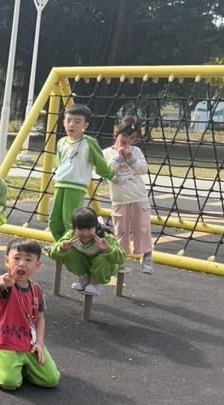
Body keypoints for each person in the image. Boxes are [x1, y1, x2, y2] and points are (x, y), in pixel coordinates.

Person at [0, 239, 60, 392]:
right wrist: (6, 283)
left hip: (31, 343)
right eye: (16, 258)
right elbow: (3, 286)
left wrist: (40, 343)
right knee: (9, 383)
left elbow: (40, 318)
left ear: (37, 265)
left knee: (51, 379)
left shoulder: (36, 289)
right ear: (7, 261)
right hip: (8, 342)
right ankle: (4, 367)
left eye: (28, 260)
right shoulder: (4, 282)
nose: (22, 264)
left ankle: (24, 366)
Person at [48, 103, 115, 240]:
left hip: (76, 186)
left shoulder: (89, 142)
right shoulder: (61, 142)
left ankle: (70, 245)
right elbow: (60, 163)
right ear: (64, 122)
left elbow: (100, 163)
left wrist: (111, 175)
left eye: (77, 122)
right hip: (60, 184)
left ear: (85, 125)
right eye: (68, 121)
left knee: (70, 219)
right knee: (54, 219)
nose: (72, 124)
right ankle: (58, 244)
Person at [103, 116, 154, 273]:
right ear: (117, 133)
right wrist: (118, 157)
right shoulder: (107, 153)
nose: (127, 141)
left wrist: (131, 159)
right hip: (119, 199)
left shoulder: (136, 151)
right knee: (121, 230)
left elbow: (143, 170)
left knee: (142, 228)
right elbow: (106, 172)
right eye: (125, 135)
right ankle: (121, 258)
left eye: (132, 138)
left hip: (138, 197)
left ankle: (147, 255)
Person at [49, 207, 126, 296]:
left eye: (89, 229)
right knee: (68, 252)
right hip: (86, 266)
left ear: (96, 227)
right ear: (73, 228)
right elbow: (52, 253)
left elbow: (122, 259)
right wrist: (61, 249)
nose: (85, 233)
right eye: (81, 229)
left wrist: (108, 249)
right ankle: (84, 276)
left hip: (105, 268)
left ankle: (96, 281)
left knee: (103, 257)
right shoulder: (71, 236)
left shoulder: (104, 238)